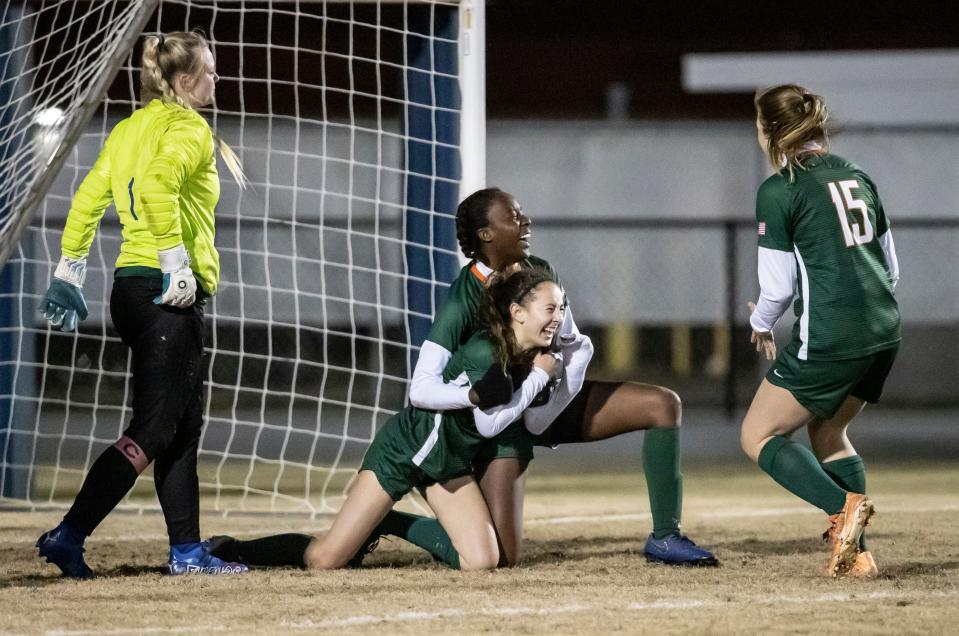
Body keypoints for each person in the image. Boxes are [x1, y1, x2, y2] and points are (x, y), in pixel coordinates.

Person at [400, 187, 717, 567]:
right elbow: (421, 386)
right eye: (513, 217)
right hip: (503, 425)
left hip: (553, 398)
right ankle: (396, 523)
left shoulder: (542, 271)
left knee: (663, 404)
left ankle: (665, 537)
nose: (525, 222)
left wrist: (555, 396)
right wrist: (480, 399)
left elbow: (570, 344)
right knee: (500, 557)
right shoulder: (462, 296)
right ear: (486, 234)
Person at [35, 31, 248, 578]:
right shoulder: (186, 128)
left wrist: (70, 269)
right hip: (164, 291)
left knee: (180, 426)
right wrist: (177, 262)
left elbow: (87, 198)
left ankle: (187, 551)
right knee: (154, 429)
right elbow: (156, 187)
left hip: (130, 288)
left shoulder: (130, 127)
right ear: (184, 80)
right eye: (211, 70)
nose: (217, 79)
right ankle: (70, 533)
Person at [209, 269, 592, 570]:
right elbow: (489, 425)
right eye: (550, 309)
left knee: (483, 561)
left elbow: (538, 423)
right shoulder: (486, 352)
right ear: (518, 312)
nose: (559, 318)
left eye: (562, 308)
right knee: (325, 559)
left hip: (447, 461)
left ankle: (389, 522)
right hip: (406, 451)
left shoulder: (531, 354)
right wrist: (541, 376)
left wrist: (573, 369)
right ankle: (231, 548)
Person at [742, 84, 900, 578]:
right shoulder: (857, 175)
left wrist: (760, 323)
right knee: (829, 431)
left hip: (833, 338)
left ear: (769, 129)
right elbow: (890, 267)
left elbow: (777, 289)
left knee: (757, 435)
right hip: (884, 330)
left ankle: (843, 513)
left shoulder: (780, 188)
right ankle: (857, 555)